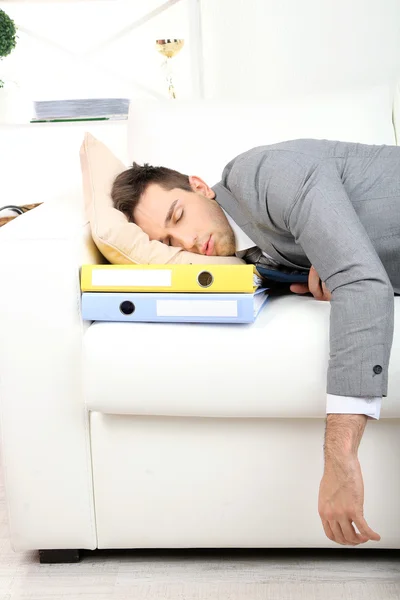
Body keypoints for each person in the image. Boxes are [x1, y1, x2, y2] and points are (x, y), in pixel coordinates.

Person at [112, 138, 400, 547]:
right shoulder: (251, 261)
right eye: (169, 244)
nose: (188, 242)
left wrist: (340, 458)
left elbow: (359, 280)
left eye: (178, 216)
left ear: (199, 186)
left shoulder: (263, 175)